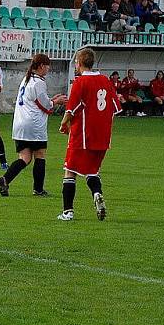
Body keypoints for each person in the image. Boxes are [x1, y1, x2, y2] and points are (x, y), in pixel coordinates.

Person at [58, 48, 121, 221]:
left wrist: (63, 124)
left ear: (78, 63)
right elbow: (115, 109)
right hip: (103, 137)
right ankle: (97, 193)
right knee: (92, 171)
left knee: (69, 171)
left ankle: (67, 212)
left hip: (83, 136)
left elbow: (71, 109)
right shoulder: (106, 81)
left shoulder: (80, 82)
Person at [0, 54, 66, 197]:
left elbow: (36, 101)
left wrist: (52, 99)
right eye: (47, 66)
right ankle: (38, 189)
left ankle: (5, 179)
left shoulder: (27, 79)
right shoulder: (39, 82)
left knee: (25, 158)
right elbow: (46, 106)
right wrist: (57, 101)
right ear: (41, 66)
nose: (48, 69)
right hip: (33, 125)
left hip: (20, 123)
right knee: (40, 155)